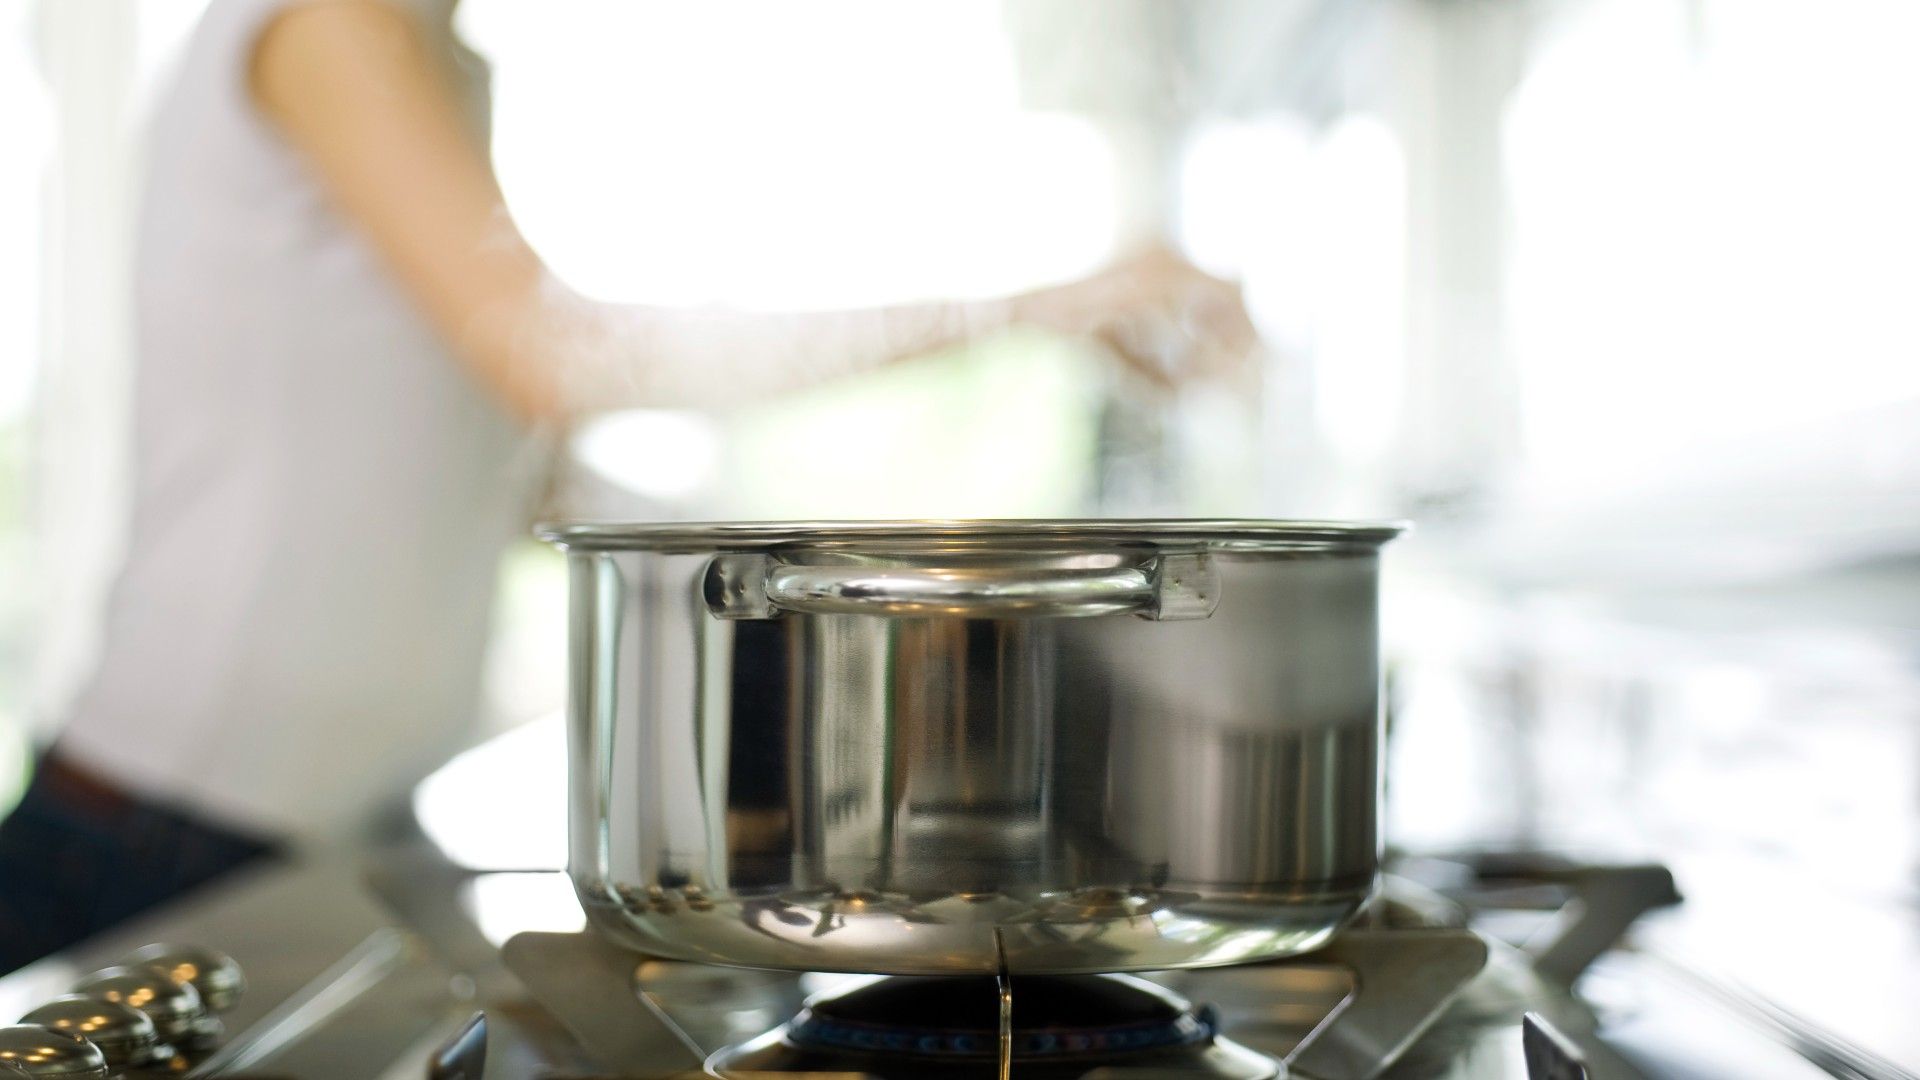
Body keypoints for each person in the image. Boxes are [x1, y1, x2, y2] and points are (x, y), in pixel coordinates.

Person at [0, 0, 1254, 973]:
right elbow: (558, 357)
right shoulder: (328, 23)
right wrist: (1037, 303)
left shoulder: (435, 53)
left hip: (335, 826)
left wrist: (858, 597)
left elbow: (499, 467)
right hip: (163, 842)